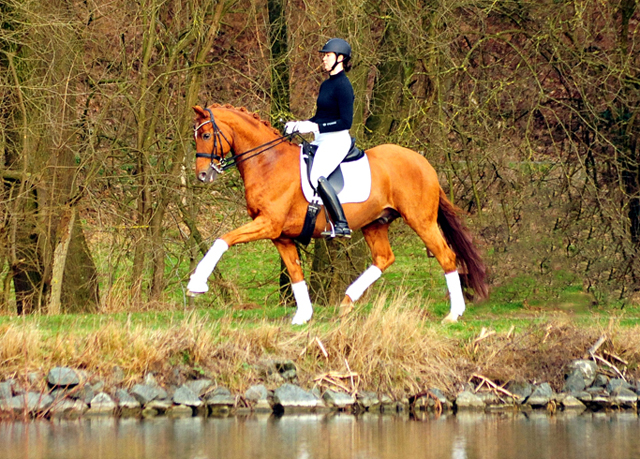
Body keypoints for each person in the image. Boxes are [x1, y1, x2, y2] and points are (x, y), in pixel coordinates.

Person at [285, 38, 354, 238]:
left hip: (337, 140)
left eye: (327, 55)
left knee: (316, 175)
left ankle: (341, 224)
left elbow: (345, 121)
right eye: (324, 56)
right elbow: (320, 117)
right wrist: (300, 124)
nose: (323, 59)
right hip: (321, 138)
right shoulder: (326, 85)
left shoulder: (344, 86)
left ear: (340, 59)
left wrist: (316, 126)